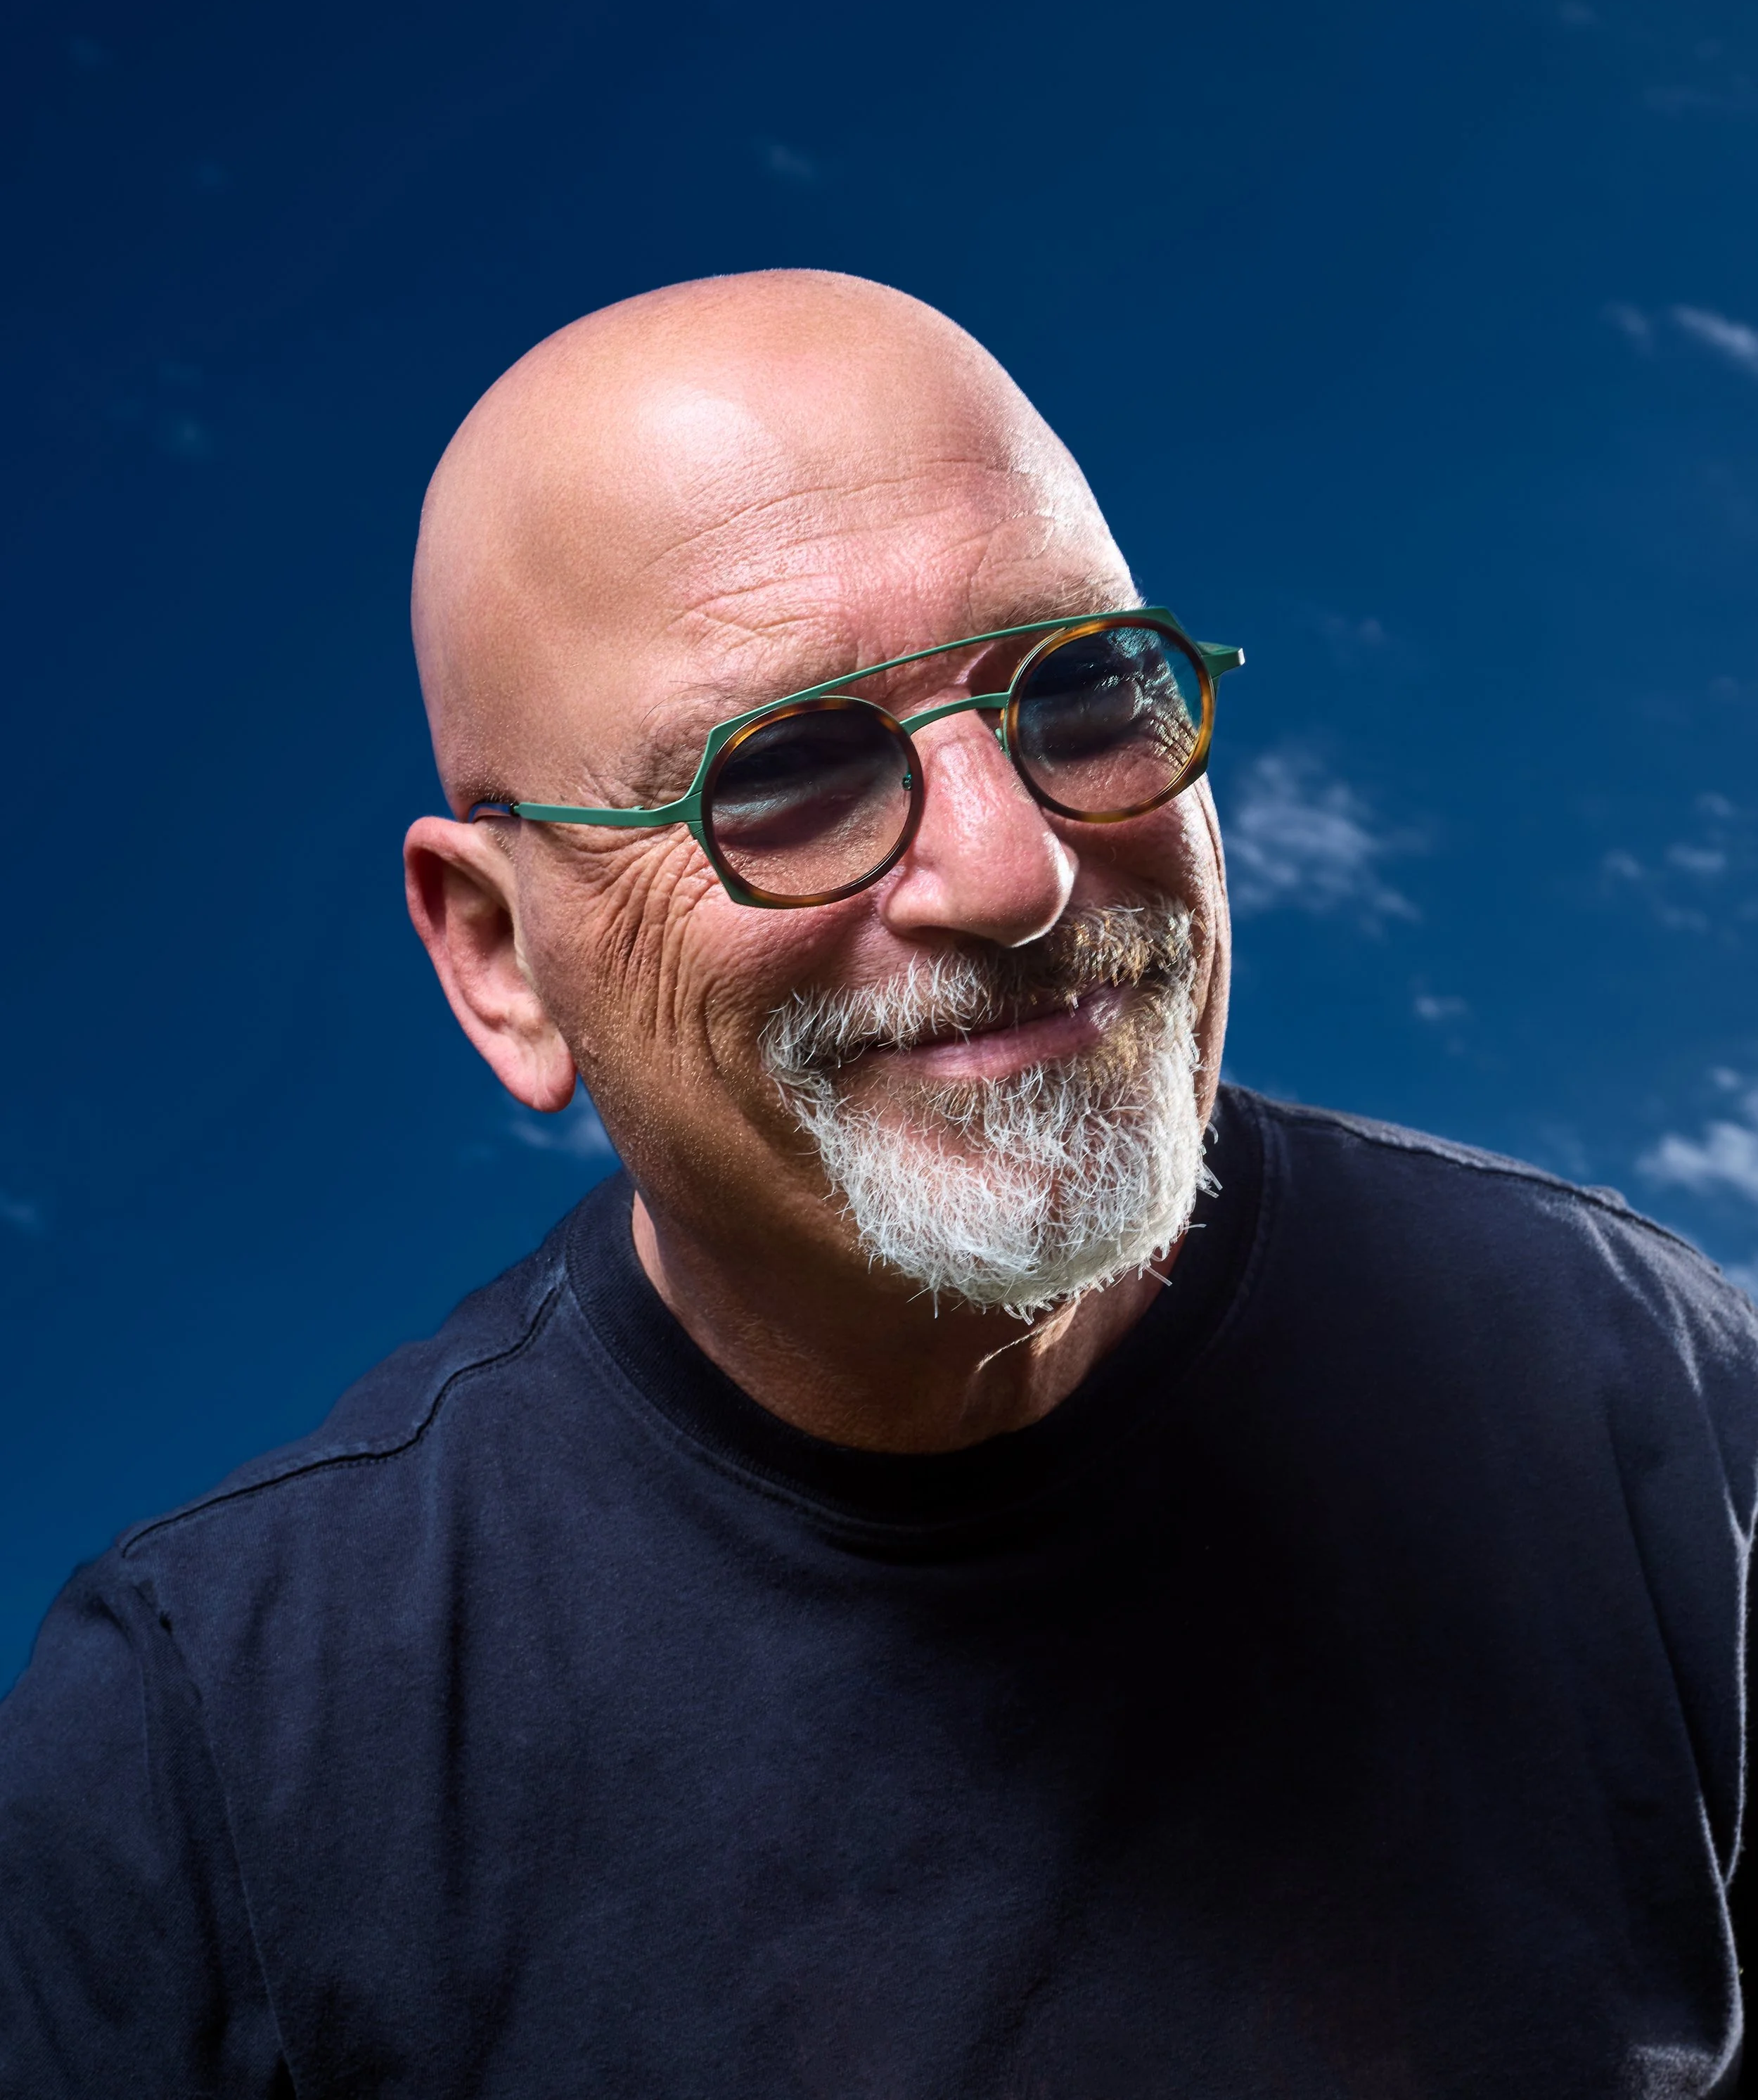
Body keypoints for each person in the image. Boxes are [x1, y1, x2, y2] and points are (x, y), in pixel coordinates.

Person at [3, 271, 1756, 2099]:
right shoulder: (200, 1759)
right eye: (786, 773)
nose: (1012, 875)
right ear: (500, 957)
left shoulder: (1636, 1394)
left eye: (1077, 688)